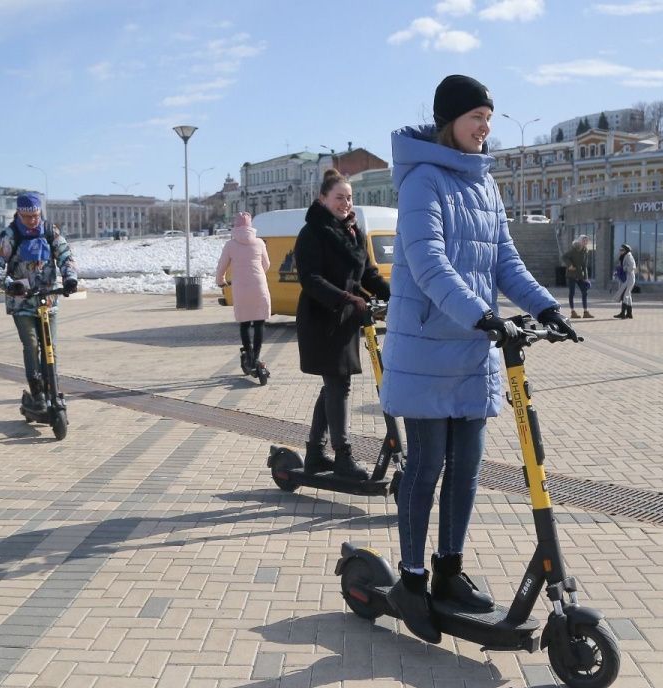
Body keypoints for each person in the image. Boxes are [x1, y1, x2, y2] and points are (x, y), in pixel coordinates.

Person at [380, 74, 575, 644]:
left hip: (472, 348)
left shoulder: (485, 184)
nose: (485, 127)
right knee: (425, 467)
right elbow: (427, 262)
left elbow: (505, 261)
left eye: (489, 117)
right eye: (476, 117)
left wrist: (545, 307)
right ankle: (411, 582)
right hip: (427, 348)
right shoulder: (422, 182)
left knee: (466, 469)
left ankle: (448, 571)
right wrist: (483, 316)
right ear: (450, 121)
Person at [294, 169, 390, 481]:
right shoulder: (312, 232)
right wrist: (347, 299)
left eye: (349, 197)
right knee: (338, 385)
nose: (345, 203)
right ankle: (342, 455)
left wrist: (396, 295)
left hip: (346, 320)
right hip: (322, 319)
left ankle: (315, 453)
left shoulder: (354, 232)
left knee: (334, 385)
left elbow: (368, 274)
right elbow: (311, 279)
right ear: (322, 199)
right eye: (339, 197)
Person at [0, 193, 78, 410]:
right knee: (33, 344)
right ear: (19, 214)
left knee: (50, 347)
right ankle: (37, 391)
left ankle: (52, 388)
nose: (32, 221)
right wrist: (9, 284)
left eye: (36, 216)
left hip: (48, 299)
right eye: (27, 217)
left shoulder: (49, 231)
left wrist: (70, 278)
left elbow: (65, 256)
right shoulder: (9, 235)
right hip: (22, 302)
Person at [215, 211, 272, 374]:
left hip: (240, 288)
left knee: (245, 323)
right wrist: (258, 274)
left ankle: (248, 353)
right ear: (250, 226)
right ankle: (257, 356)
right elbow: (266, 264)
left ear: (235, 226)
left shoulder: (230, 245)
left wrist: (220, 281)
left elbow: (222, 266)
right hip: (259, 286)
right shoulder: (260, 243)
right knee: (260, 322)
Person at [562, 234, 593, 318]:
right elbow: (564, 257)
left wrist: (586, 278)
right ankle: (573, 312)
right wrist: (570, 265)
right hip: (571, 274)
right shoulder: (574, 249)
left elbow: (585, 266)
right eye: (584, 240)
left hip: (580, 276)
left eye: (586, 240)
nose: (585, 242)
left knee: (584, 292)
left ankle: (585, 312)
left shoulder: (585, 251)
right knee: (572, 293)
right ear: (580, 241)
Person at [613, 243, 637, 319]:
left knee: (625, 295)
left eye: (622, 250)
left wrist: (623, 268)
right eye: (620, 249)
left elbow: (633, 267)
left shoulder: (629, 256)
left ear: (626, 250)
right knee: (628, 295)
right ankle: (629, 313)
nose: (620, 251)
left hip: (629, 279)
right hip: (627, 279)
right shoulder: (623, 256)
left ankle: (623, 313)